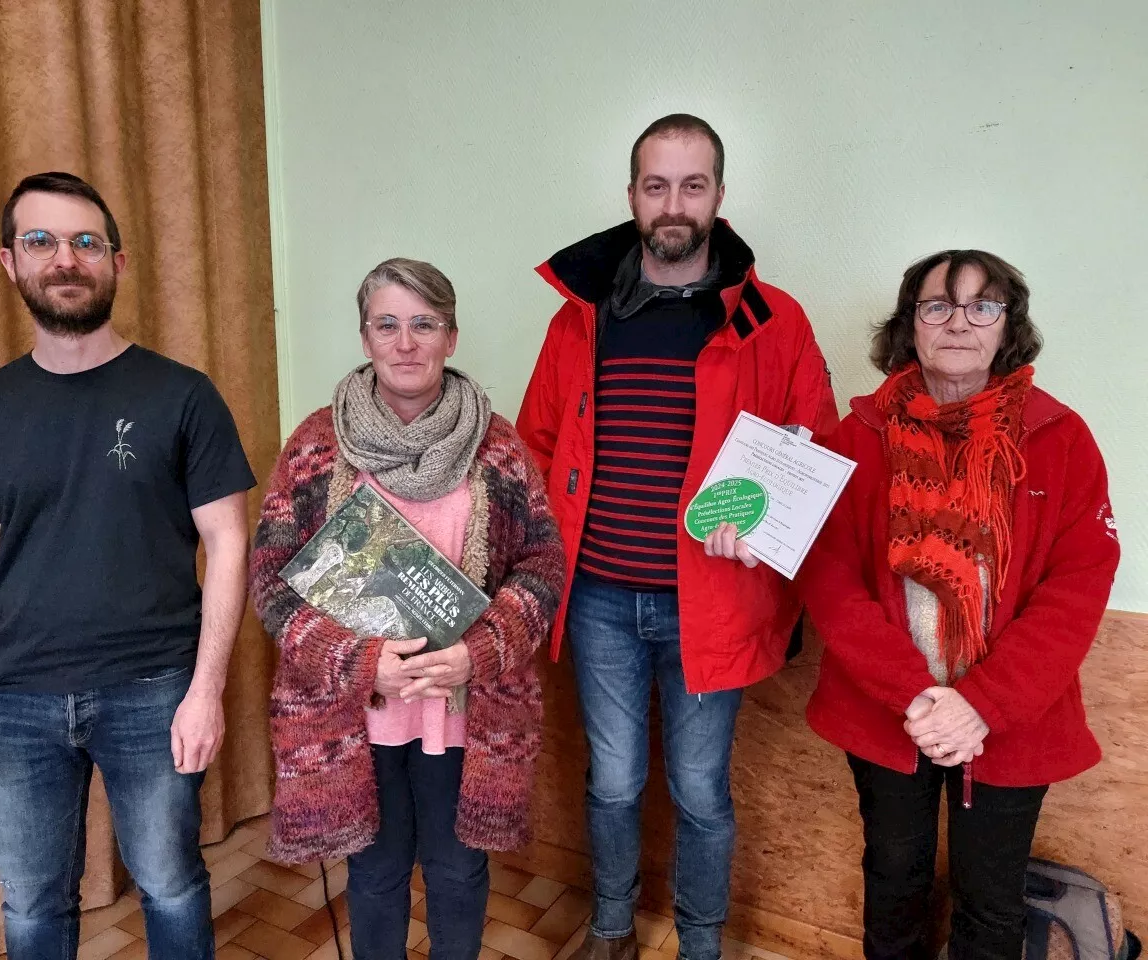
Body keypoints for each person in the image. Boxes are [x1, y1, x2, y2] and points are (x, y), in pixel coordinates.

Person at [515, 114, 838, 960]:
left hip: (715, 603)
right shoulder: (580, 319)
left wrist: (765, 531)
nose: (673, 203)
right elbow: (538, 442)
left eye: (692, 185)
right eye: (656, 185)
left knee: (700, 791)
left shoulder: (779, 322)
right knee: (613, 782)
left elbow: (817, 449)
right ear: (631, 196)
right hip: (598, 599)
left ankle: (701, 942)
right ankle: (612, 928)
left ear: (719, 197)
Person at [0, 171, 255, 960]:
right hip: (12, 703)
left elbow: (230, 543)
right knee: (33, 905)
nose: (64, 258)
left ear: (117, 261)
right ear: (11, 263)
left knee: (170, 883)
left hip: (152, 692)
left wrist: (205, 692)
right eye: (41, 241)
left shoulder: (183, 395)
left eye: (85, 242)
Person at [800, 249, 1120, 960]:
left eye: (983, 305)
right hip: (888, 713)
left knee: (991, 902)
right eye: (937, 305)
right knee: (892, 884)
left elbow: (1078, 586)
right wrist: (916, 696)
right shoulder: (859, 439)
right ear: (910, 325)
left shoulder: (1060, 440)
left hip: (1010, 720)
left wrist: (981, 704)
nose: (959, 323)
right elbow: (832, 581)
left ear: (1008, 327)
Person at [250, 258, 565, 960]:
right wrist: (360, 662)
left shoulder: (497, 446)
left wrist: (477, 652)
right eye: (387, 324)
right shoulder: (314, 446)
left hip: (464, 708)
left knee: (458, 870)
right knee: (376, 871)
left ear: (451, 337)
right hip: (358, 711)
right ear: (365, 338)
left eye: (424, 324)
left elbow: (543, 568)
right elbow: (271, 582)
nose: (406, 342)